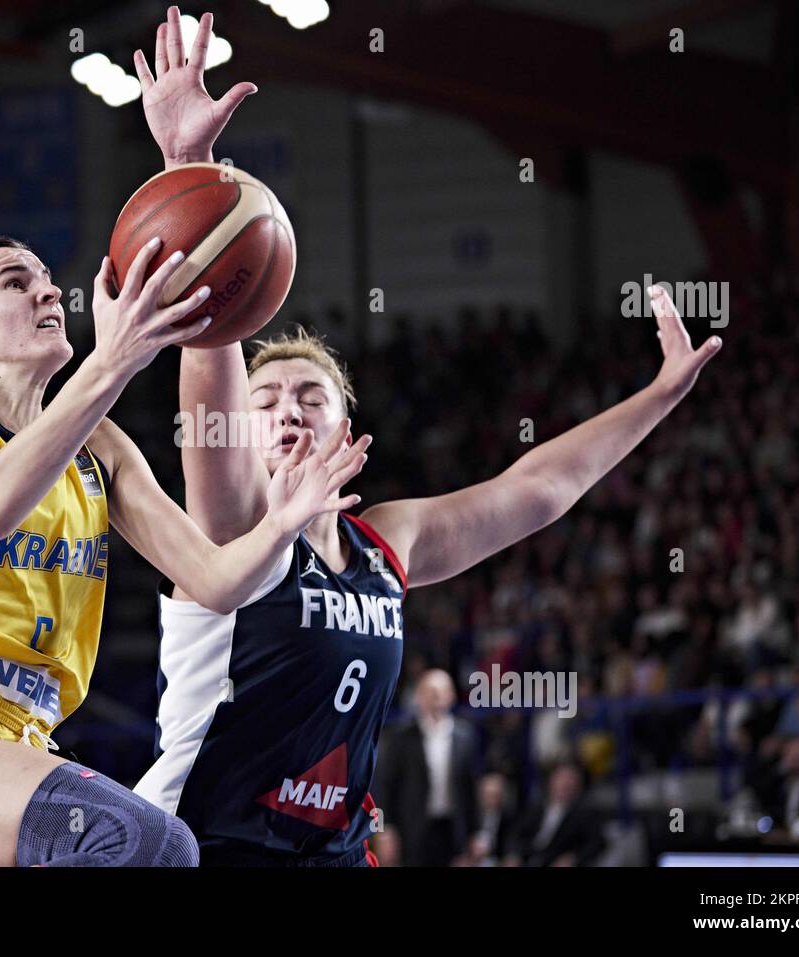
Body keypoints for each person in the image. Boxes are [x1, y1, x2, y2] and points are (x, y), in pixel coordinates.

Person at [128, 6, 723, 865]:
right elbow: (210, 360)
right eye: (267, 400)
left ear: (347, 425)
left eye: (312, 395)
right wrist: (190, 169)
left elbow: (537, 490)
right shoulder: (229, 527)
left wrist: (660, 398)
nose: (289, 409)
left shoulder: (386, 542)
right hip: (213, 846)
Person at [0, 213, 370, 863]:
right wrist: (111, 362)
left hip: (18, 740)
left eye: (50, 280)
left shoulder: (100, 447)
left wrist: (282, 524)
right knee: (149, 841)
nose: (50, 292)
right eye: (17, 281)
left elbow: (219, 581)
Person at [371, 670, 478, 866]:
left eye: (442, 691)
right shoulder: (400, 737)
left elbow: (470, 788)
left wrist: (477, 832)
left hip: (451, 829)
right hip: (412, 829)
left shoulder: (465, 736)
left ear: (452, 695)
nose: (437, 697)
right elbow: (384, 786)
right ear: (419, 697)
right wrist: (381, 829)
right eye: (431, 692)